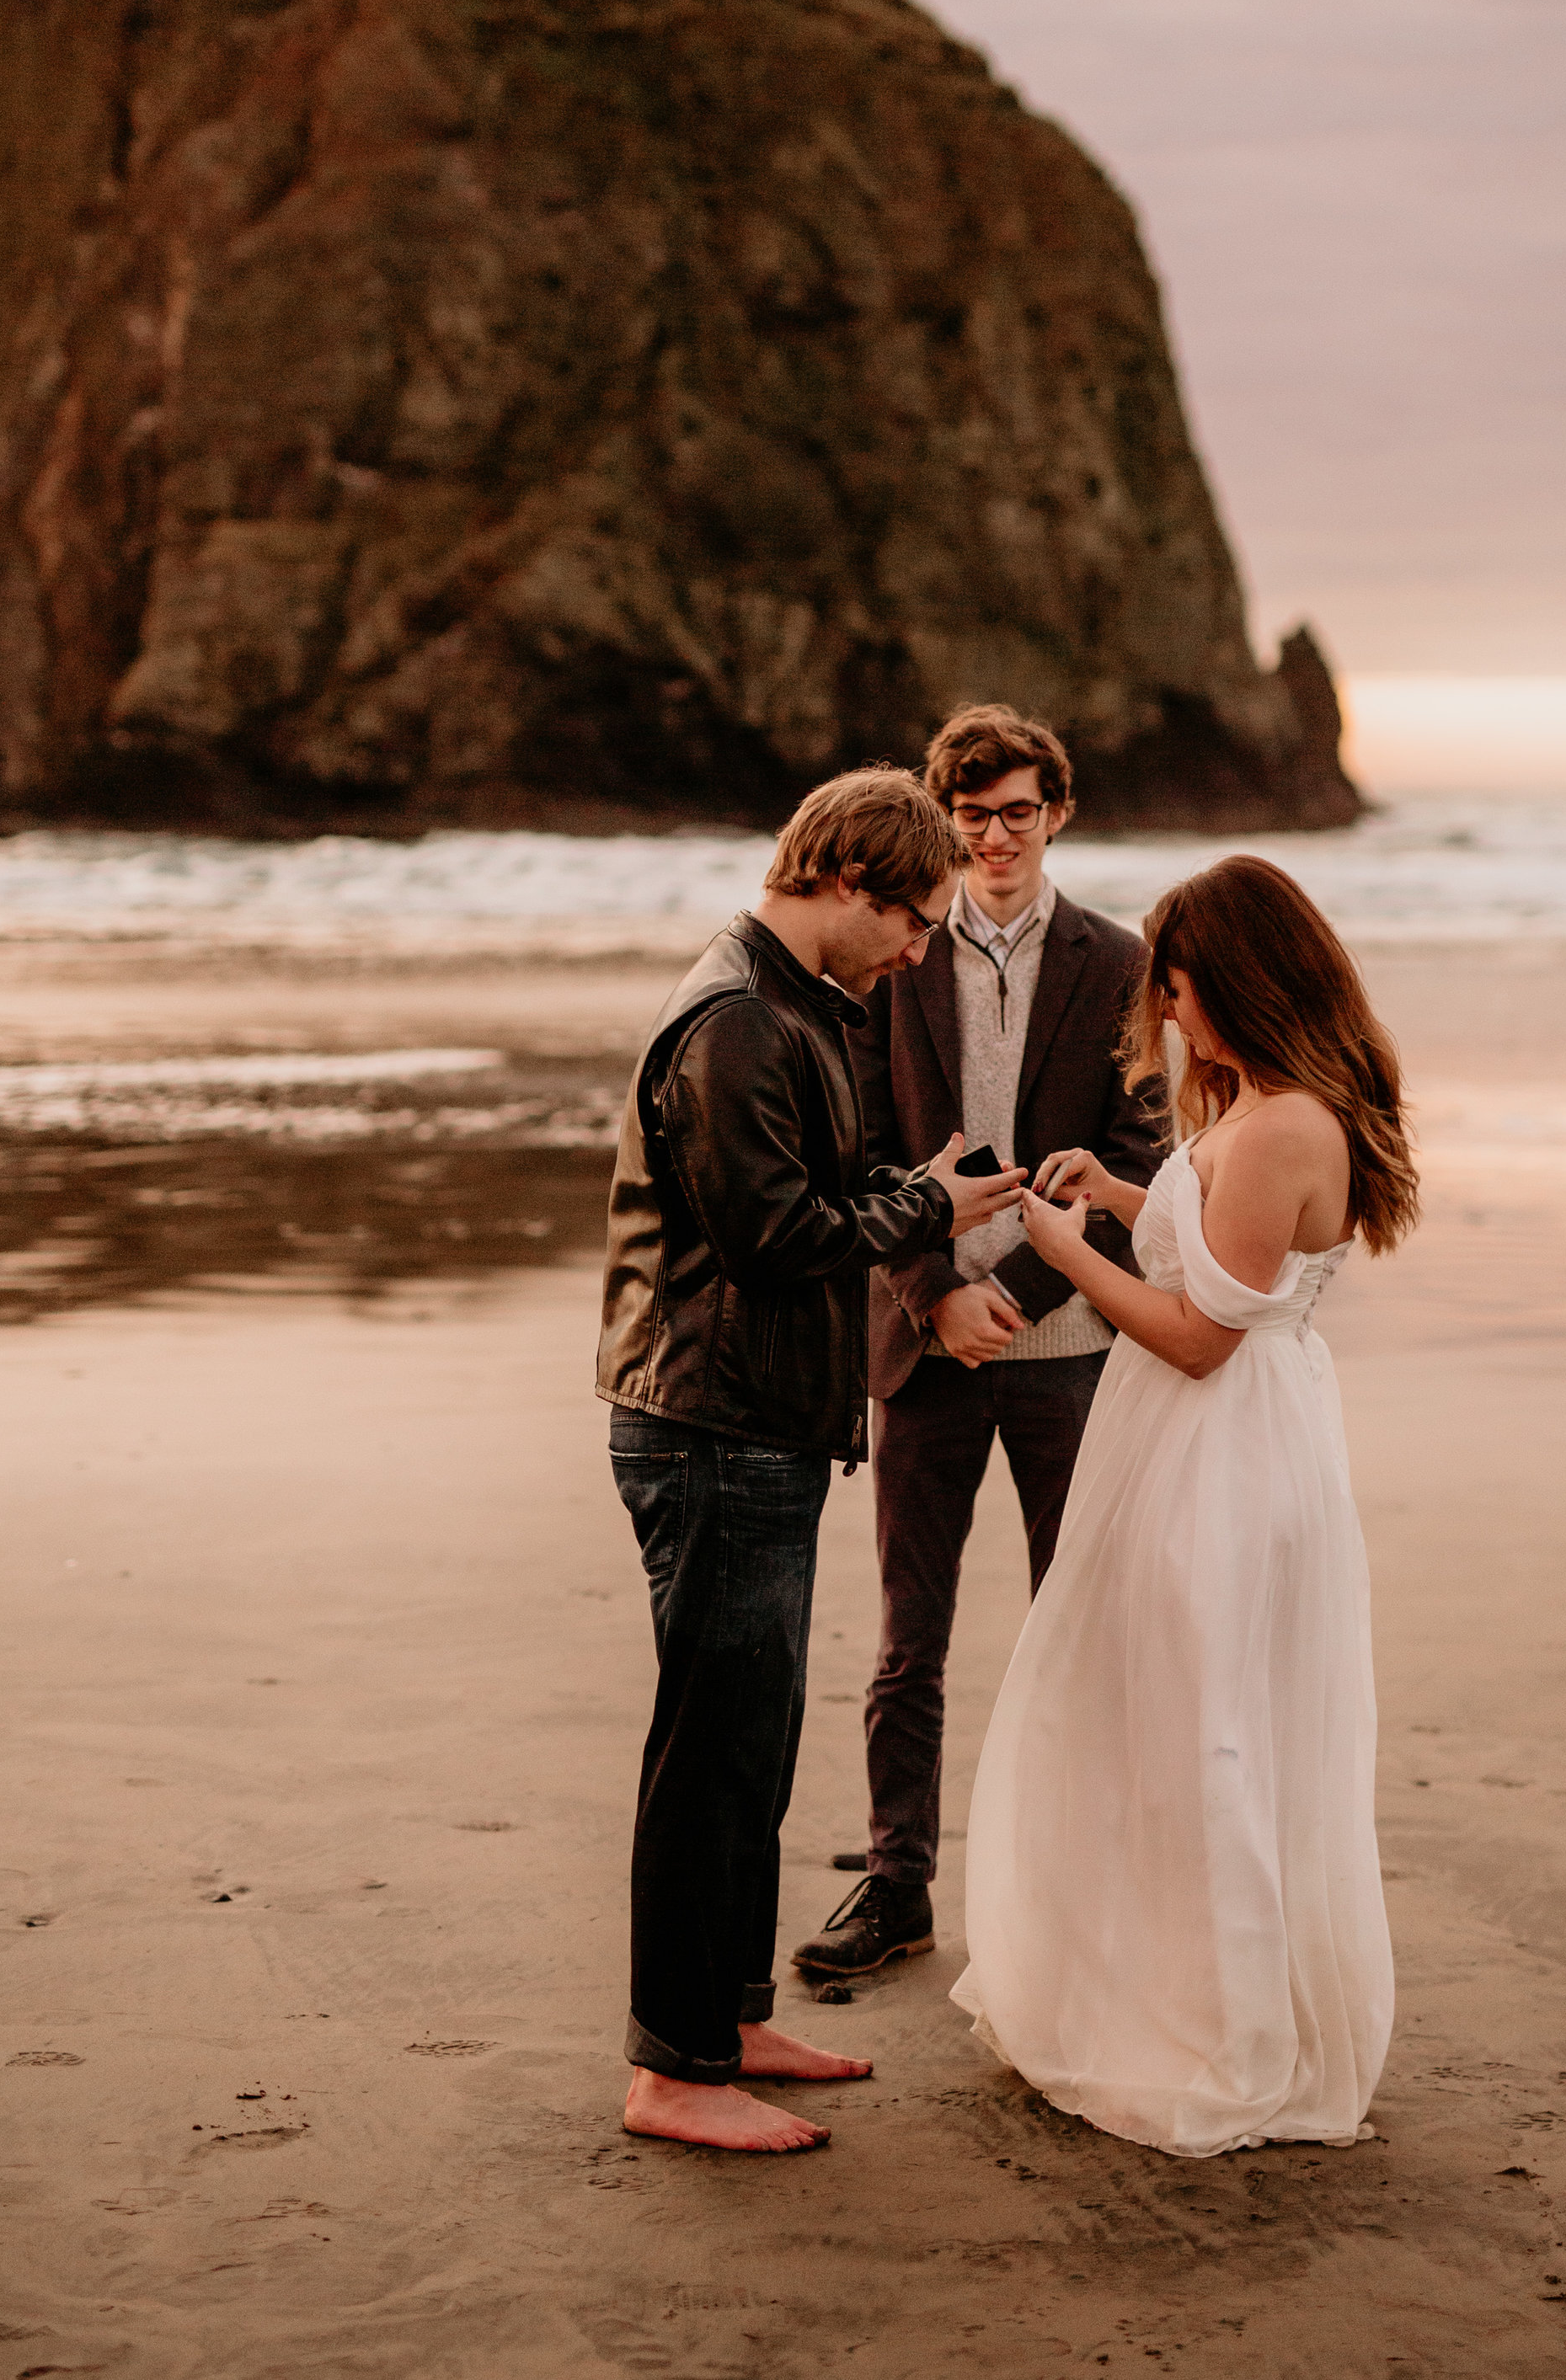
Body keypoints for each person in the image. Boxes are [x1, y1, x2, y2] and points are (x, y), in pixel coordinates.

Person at [952, 854, 1419, 2156]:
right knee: (1159, 1719)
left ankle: (1225, 2028)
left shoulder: (1282, 1126)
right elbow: (1217, 1251)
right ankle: (1166, 1991)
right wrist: (1120, 1195)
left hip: (1222, 1455)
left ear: (1240, 979)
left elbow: (1202, 1335)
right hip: (1201, 1444)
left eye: (1179, 983)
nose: (1166, 1009)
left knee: (1208, 1733)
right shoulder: (1265, 1109)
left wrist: (1068, 1253)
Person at [598, 766, 1027, 2156]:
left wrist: (917, 1191)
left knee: (755, 1744)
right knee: (711, 1753)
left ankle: (727, 2020)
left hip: (752, 1421)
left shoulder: (791, 1001)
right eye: (909, 918)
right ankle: (674, 2068)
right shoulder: (735, 1018)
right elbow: (774, 1236)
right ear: (846, 878)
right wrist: (927, 1208)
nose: (917, 950)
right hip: (710, 1424)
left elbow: (809, 1199)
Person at [794, 705, 1168, 1987]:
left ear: (1056, 813)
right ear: (947, 823)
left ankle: (1077, 1895)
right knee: (910, 1645)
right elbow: (852, 1150)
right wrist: (930, 1295)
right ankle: (896, 1887)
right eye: (972, 818)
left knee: (1078, 1633)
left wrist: (1003, 1285)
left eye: (1016, 813)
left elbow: (1138, 1151)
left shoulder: (1120, 961)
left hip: (1070, 1352)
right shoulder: (895, 953)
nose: (995, 838)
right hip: (923, 1352)